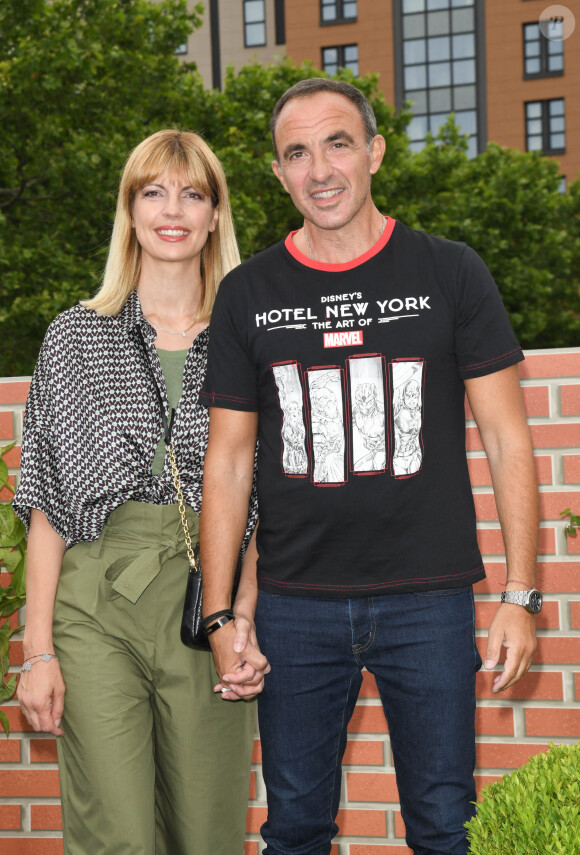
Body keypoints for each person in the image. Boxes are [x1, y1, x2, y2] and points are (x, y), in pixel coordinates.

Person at [198, 78, 542, 855]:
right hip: (294, 605)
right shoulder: (246, 293)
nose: (320, 168)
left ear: (376, 152)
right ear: (278, 172)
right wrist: (222, 615)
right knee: (292, 830)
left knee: (447, 826)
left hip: (430, 599)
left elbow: (507, 436)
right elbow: (228, 461)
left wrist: (520, 594)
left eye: (338, 142)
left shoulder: (450, 271)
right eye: (297, 152)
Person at [14, 129, 267, 855]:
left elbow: (266, 500)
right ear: (129, 211)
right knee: (115, 834)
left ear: (216, 214)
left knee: (207, 830)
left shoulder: (249, 340)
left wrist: (242, 614)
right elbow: (47, 501)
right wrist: (37, 651)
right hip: (95, 599)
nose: (172, 209)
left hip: (206, 598)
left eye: (192, 193)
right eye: (152, 191)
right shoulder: (74, 336)